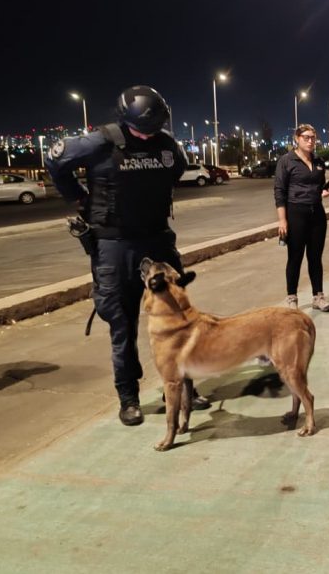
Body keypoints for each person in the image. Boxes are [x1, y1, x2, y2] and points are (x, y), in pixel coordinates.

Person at [46, 85, 209, 426]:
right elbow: (55, 158)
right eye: (142, 129)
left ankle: (181, 389)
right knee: (122, 325)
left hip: (157, 241)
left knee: (180, 319)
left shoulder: (166, 144)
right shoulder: (99, 141)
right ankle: (128, 398)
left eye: (154, 128)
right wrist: (77, 195)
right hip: (114, 246)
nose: (148, 136)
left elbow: (176, 169)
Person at [274, 124, 329, 312]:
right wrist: (282, 220)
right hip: (295, 213)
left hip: (317, 213)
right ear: (297, 139)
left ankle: (318, 296)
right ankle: (292, 297)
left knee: (315, 257)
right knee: (295, 257)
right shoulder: (287, 161)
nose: (310, 141)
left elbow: (321, 184)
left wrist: (324, 191)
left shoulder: (319, 161)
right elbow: (279, 191)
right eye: (306, 137)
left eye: (313, 138)